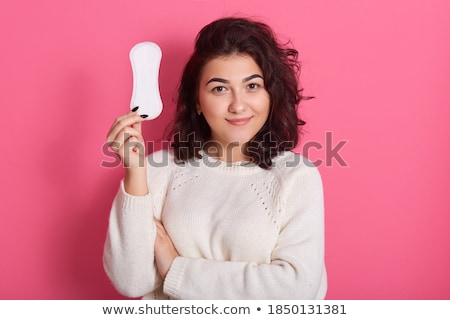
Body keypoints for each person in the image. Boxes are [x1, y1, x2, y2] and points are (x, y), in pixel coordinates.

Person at [104, 16, 327, 299]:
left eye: (252, 86)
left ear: (271, 94)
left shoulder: (296, 176)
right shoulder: (160, 169)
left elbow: (296, 290)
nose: (237, 105)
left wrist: (174, 267)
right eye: (219, 88)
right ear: (197, 100)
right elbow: (131, 281)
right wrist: (135, 174)